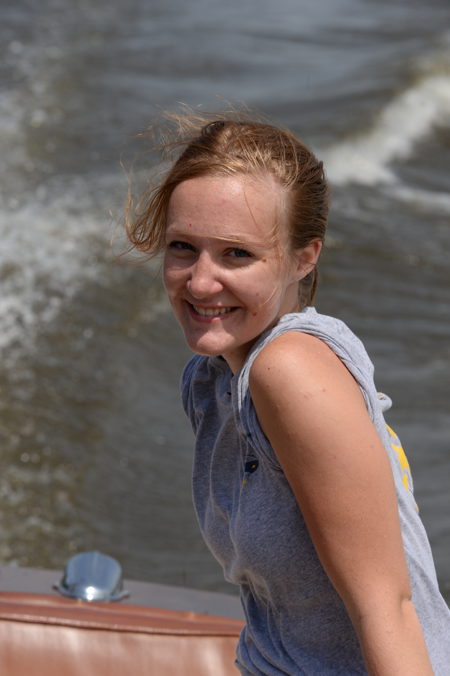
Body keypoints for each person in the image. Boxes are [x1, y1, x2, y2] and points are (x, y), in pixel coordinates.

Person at [125, 112, 450, 675]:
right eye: (183, 247)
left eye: (237, 254)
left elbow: (388, 607)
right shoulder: (210, 380)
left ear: (305, 258)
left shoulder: (290, 369)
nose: (200, 281)